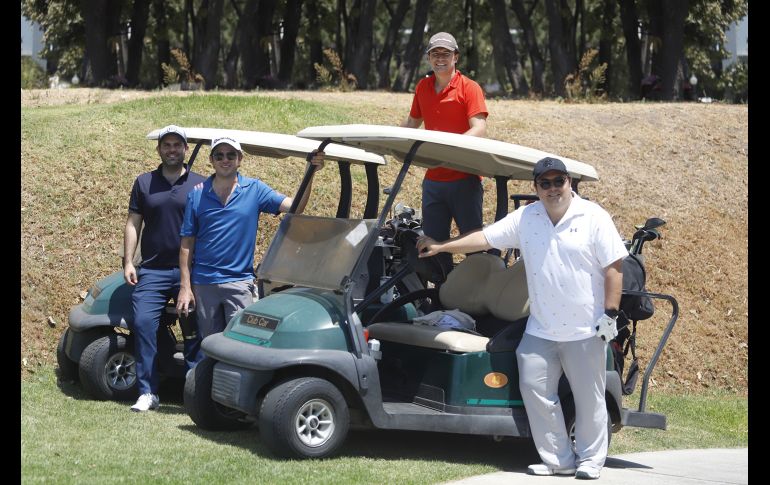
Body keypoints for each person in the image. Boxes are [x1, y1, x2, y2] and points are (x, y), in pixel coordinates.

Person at [417, 157, 627, 480]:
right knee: (535, 390)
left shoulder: (593, 216)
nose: (553, 189)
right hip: (541, 329)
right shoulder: (527, 217)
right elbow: (485, 238)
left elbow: (614, 268)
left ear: (569, 182)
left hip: (586, 328)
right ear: (536, 188)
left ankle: (590, 460)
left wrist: (610, 314)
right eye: (545, 183)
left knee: (589, 398)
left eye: (559, 181)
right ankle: (558, 460)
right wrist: (442, 246)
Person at [176, 137, 324, 340]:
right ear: (211, 160)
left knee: (241, 342)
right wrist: (185, 287)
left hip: (239, 282)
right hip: (204, 283)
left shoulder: (255, 189)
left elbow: (295, 207)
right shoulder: (197, 194)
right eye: (219, 155)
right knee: (209, 344)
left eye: (231, 155)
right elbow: (187, 243)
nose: (225, 160)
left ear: (240, 159)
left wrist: (310, 172)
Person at [124, 125, 207, 412]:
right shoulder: (144, 182)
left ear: (186, 149)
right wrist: (128, 260)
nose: (172, 150)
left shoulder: (201, 184)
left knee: (194, 328)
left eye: (177, 145)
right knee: (144, 324)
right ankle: (148, 392)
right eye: (167, 145)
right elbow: (133, 223)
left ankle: (196, 392)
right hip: (154, 270)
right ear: (159, 149)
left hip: (192, 272)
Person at [401, 31, 489, 274]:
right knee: (432, 248)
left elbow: (479, 128)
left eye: (446, 54)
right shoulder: (423, 87)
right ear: (429, 58)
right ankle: (440, 293)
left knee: (473, 245)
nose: (440, 58)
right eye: (435, 54)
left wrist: (450, 149)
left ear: (456, 57)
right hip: (433, 181)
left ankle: (479, 291)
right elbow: (412, 122)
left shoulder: (469, 88)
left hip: (465, 179)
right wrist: (389, 139)